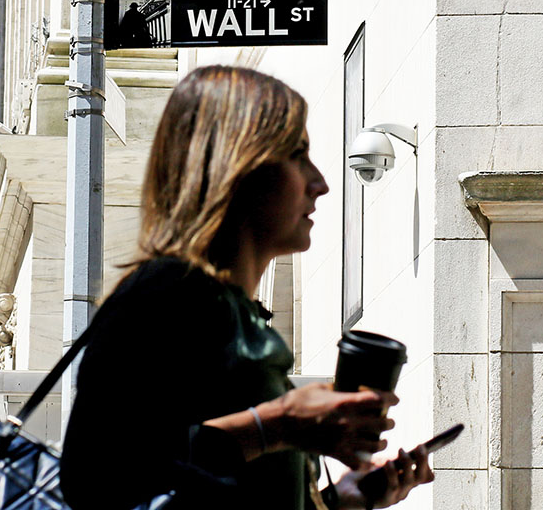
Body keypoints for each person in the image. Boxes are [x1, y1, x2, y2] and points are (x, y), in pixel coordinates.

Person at [60, 66, 433, 510]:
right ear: (237, 166)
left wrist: (339, 500)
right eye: (296, 155)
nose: (321, 182)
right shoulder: (166, 294)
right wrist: (277, 425)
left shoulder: (237, 312)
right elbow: (93, 478)